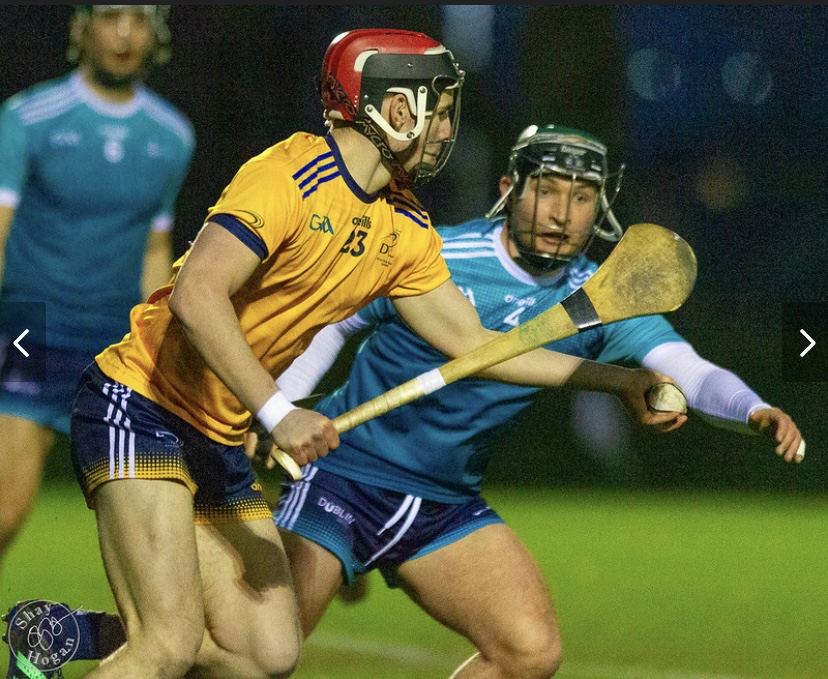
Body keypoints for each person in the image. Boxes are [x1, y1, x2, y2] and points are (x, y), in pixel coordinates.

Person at [3, 30, 691, 679]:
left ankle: (66, 634)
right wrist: (279, 413)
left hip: (216, 437)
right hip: (140, 406)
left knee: (267, 654)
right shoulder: (288, 175)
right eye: (437, 111)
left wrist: (618, 380)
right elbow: (197, 294)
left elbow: (476, 344)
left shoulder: (405, 225)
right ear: (394, 107)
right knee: (168, 643)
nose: (446, 130)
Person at [261, 123, 804, 678]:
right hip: (341, 475)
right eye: (546, 190)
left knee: (530, 654)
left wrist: (752, 410)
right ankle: (341, 560)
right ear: (509, 189)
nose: (561, 214)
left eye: (582, 197)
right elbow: (334, 322)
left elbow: (690, 370)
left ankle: (351, 570)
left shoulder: (601, 298)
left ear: (600, 210)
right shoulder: (437, 253)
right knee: (267, 655)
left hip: (444, 502)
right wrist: (283, 408)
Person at [0, 5, 194, 570]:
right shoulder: (28, 117)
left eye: (139, 19)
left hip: (115, 339)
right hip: (29, 328)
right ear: (81, 28)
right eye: (111, 17)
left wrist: (160, 344)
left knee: (140, 519)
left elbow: (156, 248)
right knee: (6, 506)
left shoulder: (172, 134)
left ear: (157, 34)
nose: (125, 33)